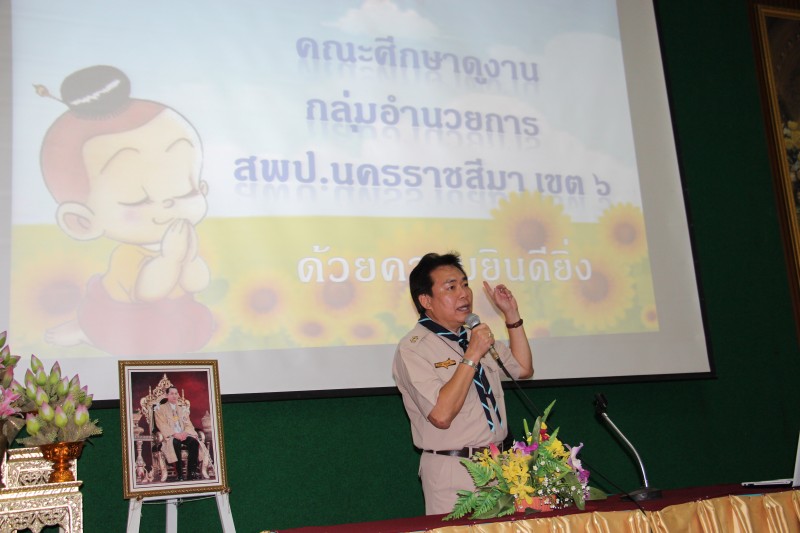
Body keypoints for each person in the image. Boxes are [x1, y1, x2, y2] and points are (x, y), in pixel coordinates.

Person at [38, 65, 213, 355]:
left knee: (197, 328)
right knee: (128, 337)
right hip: (126, 317)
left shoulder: (181, 238)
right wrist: (171, 258)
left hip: (176, 313)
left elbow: (198, 281)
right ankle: (87, 330)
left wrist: (189, 257)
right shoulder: (127, 255)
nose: (169, 204)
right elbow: (149, 291)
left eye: (186, 189)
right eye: (138, 199)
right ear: (82, 222)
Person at [392, 251, 533, 515]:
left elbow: (523, 369)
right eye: (451, 287)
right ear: (426, 300)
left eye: (465, 284)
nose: (464, 294)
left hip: (501, 466)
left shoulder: (474, 335)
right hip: (454, 471)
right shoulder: (413, 349)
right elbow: (441, 415)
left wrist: (512, 315)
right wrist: (472, 356)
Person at [154, 386, 202, 481]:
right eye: (172, 394)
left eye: (176, 393)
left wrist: (185, 432)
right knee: (175, 443)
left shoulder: (182, 409)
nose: (174, 396)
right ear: (166, 395)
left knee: (194, 442)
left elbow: (188, 424)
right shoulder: (160, 409)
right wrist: (175, 434)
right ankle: (179, 474)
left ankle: (191, 473)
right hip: (170, 436)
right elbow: (161, 424)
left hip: (183, 434)